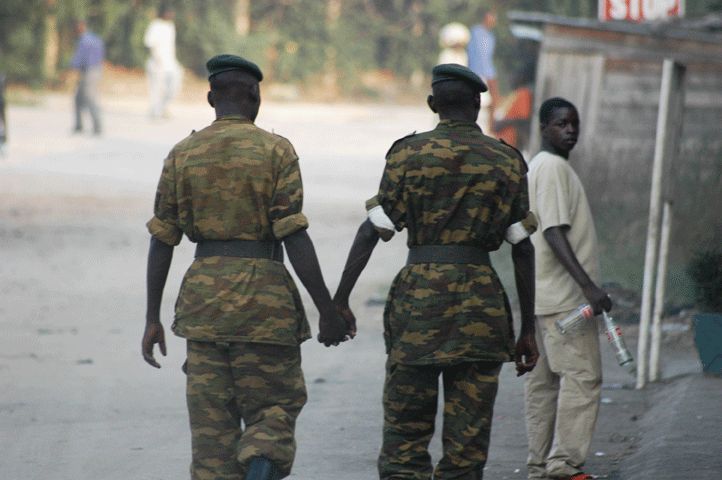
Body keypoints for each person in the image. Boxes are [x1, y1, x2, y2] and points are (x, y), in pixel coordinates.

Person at [141, 54, 350, 480]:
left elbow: (162, 239)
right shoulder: (276, 151)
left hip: (203, 307)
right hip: (265, 305)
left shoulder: (182, 153)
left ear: (210, 97)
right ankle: (261, 459)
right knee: (273, 407)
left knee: (211, 432)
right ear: (255, 97)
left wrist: (151, 318)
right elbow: (293, 234)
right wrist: (326, 309)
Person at [333, 64, 539, 480]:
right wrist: (527, 328)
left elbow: (373, 230)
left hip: (417, 310)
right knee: (467, 447)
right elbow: (522, 246)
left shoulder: (407, 155)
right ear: (479, 106)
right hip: (481, 311)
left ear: (432, 104)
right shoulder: (506, 161)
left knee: (404, 439)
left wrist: (339, 300)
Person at [523, 97, 613, 480]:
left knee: (544, 384)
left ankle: (539, 464)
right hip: (566, 302)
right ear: (544, 128)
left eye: (574, 123)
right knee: (582, 376)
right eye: (561, 124)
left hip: (546, 299)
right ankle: (563, 465)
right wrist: (588, 286)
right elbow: (553, 231)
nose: (570, 130)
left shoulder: (540, 167)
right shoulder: (553, 168)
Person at [143, 5, 183, 119]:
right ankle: (155, 112)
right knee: (156, 89)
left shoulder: (171, 26)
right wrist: (157, 58)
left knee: (174, 87)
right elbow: (150, 43)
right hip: (157, 62)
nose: (171, 15)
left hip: (171, 62)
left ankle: (163, 107)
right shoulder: (155, 25)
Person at [467, 8, 500, 133]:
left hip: (489, 72)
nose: (493, 22)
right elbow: (477, 55)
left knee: (495, 100)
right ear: (486, 18)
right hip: (477, 71)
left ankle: (490, 129)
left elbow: (488, 57)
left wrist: (491, 74)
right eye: (492, 18)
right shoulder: (476, 32)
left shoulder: (491, 37)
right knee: (474, 101)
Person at [70, 20, 104, 135]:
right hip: (96, 70)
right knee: (78, 99)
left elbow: (78, 59)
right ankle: (79, 125)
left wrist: (69, 68)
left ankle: (97, 127)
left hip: (89, 72)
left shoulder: (84, 41)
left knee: (90, 98)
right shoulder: (95, 39)